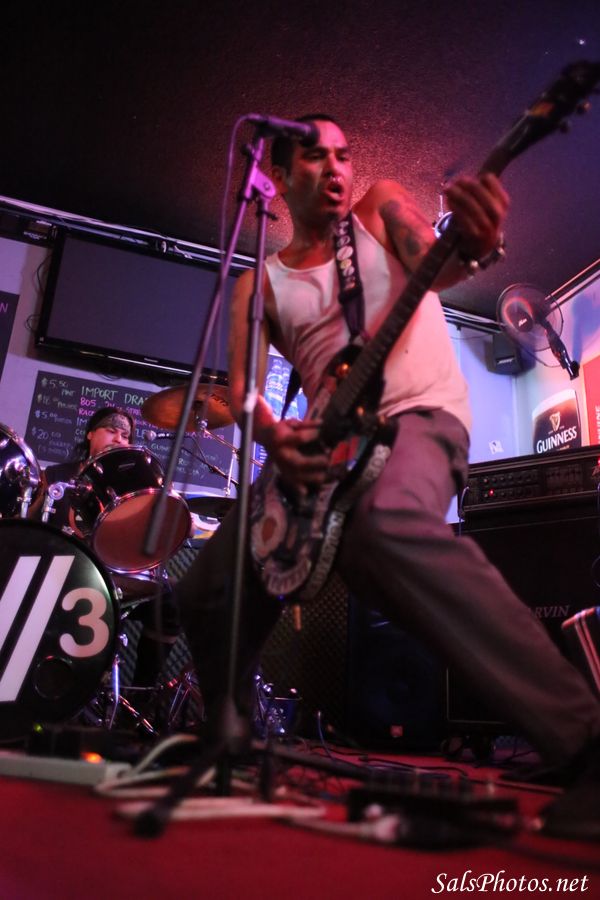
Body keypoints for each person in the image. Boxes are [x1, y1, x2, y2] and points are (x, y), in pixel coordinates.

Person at [176, 115, 600, 840]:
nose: (337, 169)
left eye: (344, 155)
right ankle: (229, 735)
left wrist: (478, 240)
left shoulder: (379, 209)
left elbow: (443, 262)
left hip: (419, 416)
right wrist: (276, 437)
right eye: (316, 157)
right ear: (277, 175)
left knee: (385, 528)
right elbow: (243, 395)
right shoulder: (258, 286)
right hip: (324, 447)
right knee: (208, 584)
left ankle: (587, 742)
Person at [32, 407, 181, 691]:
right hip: (62, 572)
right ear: (90, 434)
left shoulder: (132, 487)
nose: (118, 439)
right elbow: (30, 523)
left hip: (112, 576)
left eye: (125, 436)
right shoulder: (54, 476)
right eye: (111, 431)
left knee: (172, 599)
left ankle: (141, 694)